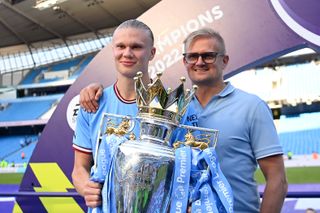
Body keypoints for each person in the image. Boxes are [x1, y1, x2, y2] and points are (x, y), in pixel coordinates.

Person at [79, 28, 288, 212]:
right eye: (192, 56)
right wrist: (93, 89)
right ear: (184, 61)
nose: (199, 62)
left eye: (208, 56)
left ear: (224, 60)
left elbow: (277, 179)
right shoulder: (174, 108)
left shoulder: (251, 106)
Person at [72, 19, 156, 209]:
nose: (127, 53)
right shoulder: (92, 104)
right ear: (113, 50)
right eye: (121, 46)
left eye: (136, 47)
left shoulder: (171, 106)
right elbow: (79, 168)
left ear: (152, 53)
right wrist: (87, 188)